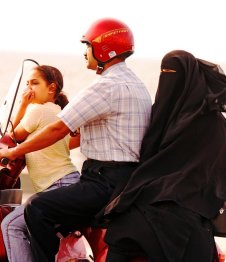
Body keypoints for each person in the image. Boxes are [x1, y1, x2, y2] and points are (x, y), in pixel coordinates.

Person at [0, 18, 152, 261]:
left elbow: (58, 128)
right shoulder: (137, 85)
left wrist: (12, 153)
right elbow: (75, 136)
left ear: (103, 48)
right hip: (127, 180)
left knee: (37, 207)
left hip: (103, 182)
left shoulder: (106, 86)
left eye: (88, 46)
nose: (85, 53)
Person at [102, 50, 226, 261]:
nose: (168, 81)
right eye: (164, 73)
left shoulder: (165, 119)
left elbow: (145, 162)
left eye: (171, 74)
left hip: (147, 220)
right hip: (194, 223)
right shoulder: (224, 130)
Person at [1, 65, 81, 262]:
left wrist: (22, 105)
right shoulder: (59, 112)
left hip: (56, 185)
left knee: (10, 225)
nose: (29, 88)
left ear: (51, 88)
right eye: (27, 84)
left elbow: (14, 135)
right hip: (69, 182)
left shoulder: (37, 110)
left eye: (35, 83)